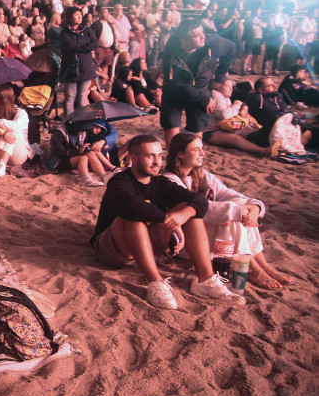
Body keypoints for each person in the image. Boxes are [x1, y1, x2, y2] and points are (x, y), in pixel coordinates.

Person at [91, 134, 245, 310]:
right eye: (150, 156)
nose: (157, 162)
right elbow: (132, 205)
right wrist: (167, 220)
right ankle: (156, 282)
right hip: (112, 248)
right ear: (133, 159)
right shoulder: (119, 181)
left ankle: (206, 279)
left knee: (190, 209)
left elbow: (199, 201)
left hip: (146, 243)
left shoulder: (160, 182)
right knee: (134, 217)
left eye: (159, 156)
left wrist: (182, 215)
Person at [164, 133, 291, 290]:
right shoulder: (170, 180)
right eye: (196, 150)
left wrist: (255, 208)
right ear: (180, 154)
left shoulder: (202, 175)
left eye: (202, 149)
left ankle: (263, 265)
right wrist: (241, 212)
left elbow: (232, 195)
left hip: (211, 240)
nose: (202, 154)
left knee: (237, 205)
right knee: (231, 215)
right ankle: (251, 267)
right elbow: (204, 209)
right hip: (188, 244)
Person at [161, 19, 212, 146]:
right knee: (171, 124)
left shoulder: (210, 45)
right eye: (197, 35)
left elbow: (228, 52)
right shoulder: (171, 53)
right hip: (175, 92)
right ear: (184, 39)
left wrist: (219, 81)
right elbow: (176, 83)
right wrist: (204, 99)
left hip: (200, 90)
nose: (203, 36)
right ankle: (173, 161)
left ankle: (193, 162)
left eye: (203, 32)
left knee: (197, 127)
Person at [203, 77, 276, 157]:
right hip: (210, 131)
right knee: (235, 139)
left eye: (231, 87)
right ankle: (263, 151)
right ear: (219, 86)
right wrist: (236, 106)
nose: (231, 89)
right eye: (228, 86)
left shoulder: (225, 98)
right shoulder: (216, 95)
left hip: (222, 127)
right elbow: (224, 114)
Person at [59, 6, 99, 117]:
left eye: (80, 15)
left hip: (85, 67)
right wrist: (86, 39)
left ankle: (81, 119)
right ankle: (68, 121)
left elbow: (95, 43)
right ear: (69, 18)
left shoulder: (86, 29)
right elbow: (72, 45)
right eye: (76, 15)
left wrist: (79, 48)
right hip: (70, 69)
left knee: (82, 96)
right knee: (70, 97)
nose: (79, 17)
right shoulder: (64, 32)